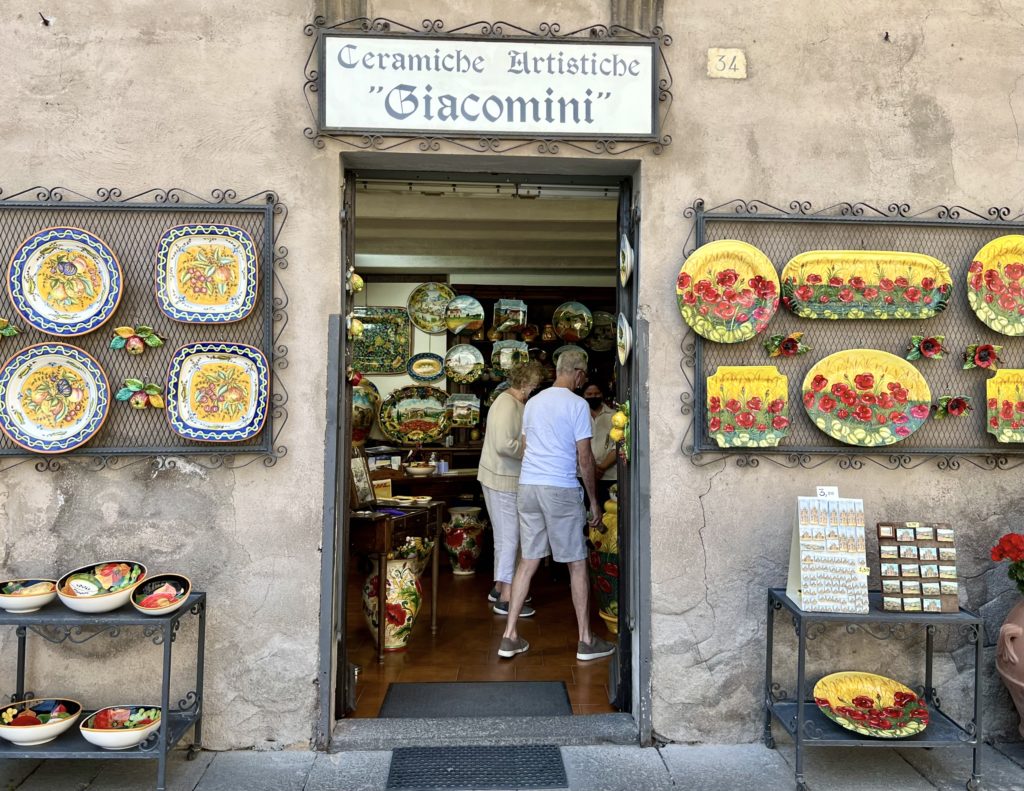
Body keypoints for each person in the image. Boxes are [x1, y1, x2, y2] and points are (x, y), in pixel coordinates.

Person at [497, 348, 616, 662]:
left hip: (529, 486)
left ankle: (509, 636)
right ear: (577, 373)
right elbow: (586, 458)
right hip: (559, 488)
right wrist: (593, 502)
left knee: (529, 559)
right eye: (584, 375)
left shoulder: (534, 402)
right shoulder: (577, 404)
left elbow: (525, 446)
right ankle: (586, 641)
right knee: (576, 563)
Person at [477, 360, 545, 617]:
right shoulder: (507, 403)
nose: (535, 389)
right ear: (526, 383)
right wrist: (531, 451)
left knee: (508, 537)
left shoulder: (512, 402)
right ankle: (506, 598)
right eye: (534, 384)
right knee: (510, 539)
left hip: (502, 477)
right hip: (501, 478)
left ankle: (499, 587)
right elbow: (505, 445)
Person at [582, 380, 617, 505]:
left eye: (596, 394)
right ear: (583, 396)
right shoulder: (579, 415)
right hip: (583, 476)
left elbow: (618, 445)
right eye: (589, 394)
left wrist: (601, 467)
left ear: (602, 394)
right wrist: (590, 468)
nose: (593, 397)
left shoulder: (614, 416)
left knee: (609, 516)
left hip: (609, 475)